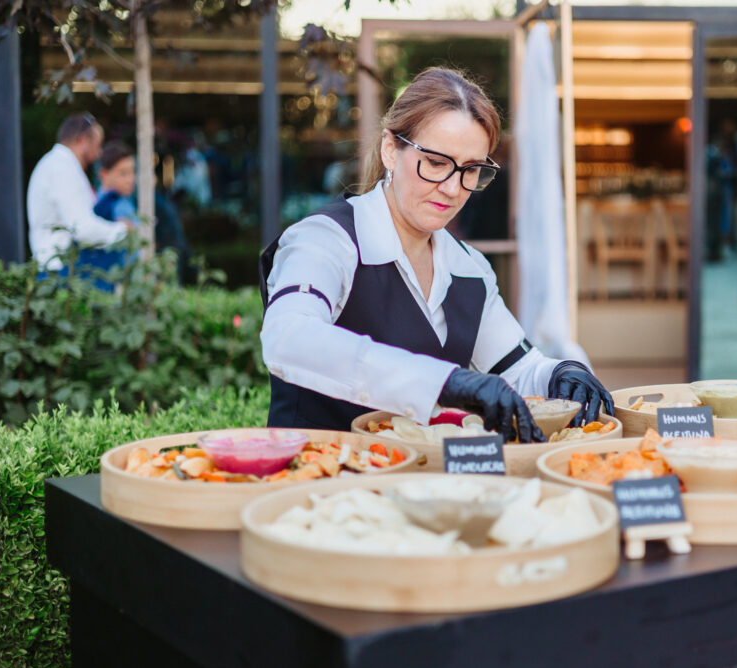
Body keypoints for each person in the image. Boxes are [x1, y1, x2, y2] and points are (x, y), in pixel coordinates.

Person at [259, 67, 613, 442]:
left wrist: (563, 373)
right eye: (436, 162)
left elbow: (519, 369)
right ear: (390, 150)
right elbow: (289, 337)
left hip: (425, 486)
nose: (452, 188)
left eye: (471, 169)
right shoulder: (326, 239)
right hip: (317, 478)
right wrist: (445, 382)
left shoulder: (470, 268)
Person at [27, 113, 132, 272]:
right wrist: (122, 230)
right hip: (58, 271)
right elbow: (82, 228)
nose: (99, 152)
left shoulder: (57, 164)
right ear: (82, 140)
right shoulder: (62, 169)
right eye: (98, 144)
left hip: (55, 269)